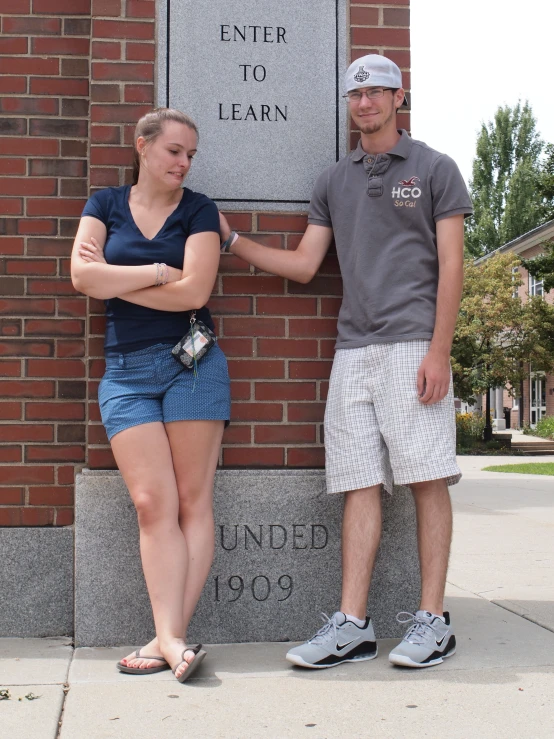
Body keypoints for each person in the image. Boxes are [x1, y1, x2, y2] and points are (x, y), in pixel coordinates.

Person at [219, 55, 472, 669]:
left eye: (377, 93)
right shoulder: (333, 181)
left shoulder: (436, 169)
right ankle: (353, 625)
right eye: (356, 95)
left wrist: (441, 350)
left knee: (426, 477)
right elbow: (306, 265)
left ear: (397, 98)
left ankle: (433, 622)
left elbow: (453, 267)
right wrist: (233, 243)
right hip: (352, 350)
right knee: (358, 481)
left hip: (415, 343)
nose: (365, 103)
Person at [71, 108, 230, 683]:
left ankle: (168, 636)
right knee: (150, 504)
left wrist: (121, 274)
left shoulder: (199, 209)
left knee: (193, 502)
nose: (184, 163)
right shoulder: (104, 204)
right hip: (126, 374)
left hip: (193, 364)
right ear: (143, 147)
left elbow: (198, 289)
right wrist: (161, 274)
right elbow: (81, 279)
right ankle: (172, 639)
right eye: (174, 151)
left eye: (191, 154)